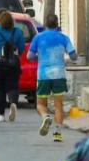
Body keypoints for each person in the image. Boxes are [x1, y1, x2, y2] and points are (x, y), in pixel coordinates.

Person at [27, 13, 77, 142]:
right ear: (57, 24)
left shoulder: (38, 38)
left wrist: (40, 57)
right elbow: (73, 56)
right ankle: (57, 133)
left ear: (45, 24)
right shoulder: (64, 38)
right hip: (59, 75)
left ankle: (45, 117)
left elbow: (30, 56)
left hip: (43, 75)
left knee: (40, 104)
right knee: (58, 105)